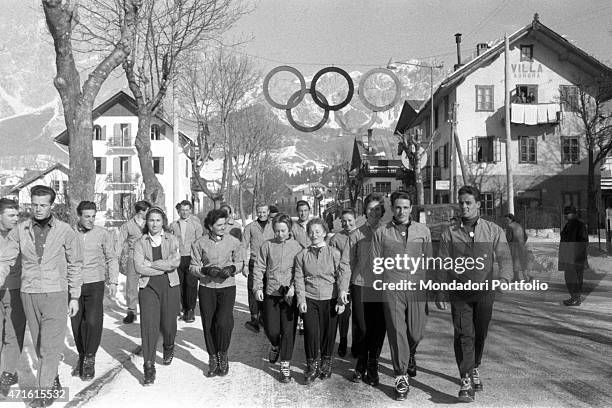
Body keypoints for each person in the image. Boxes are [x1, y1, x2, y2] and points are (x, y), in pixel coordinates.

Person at [0, 186, 82, 408]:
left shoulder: (65, 230)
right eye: (35, 204)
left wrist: (74, 296)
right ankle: (51, 378)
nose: (38, 209)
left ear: (51, 205)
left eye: (43, 204)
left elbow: (75, 264)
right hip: (29, 292)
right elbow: (6, 260)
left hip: (55, 292)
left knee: (50, 345)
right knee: (38, 344)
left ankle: (43, 395)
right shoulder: (20, 230)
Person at [436, 185, 512, 403]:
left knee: (480, 333)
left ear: (478, 204)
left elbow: (505, 256)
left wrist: (505, 278)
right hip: (459, 291)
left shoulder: (493, 230)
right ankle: (466, 379)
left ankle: (474, 365)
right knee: (463, 334)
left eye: (469, 202)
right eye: (461, 202)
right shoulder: (450, 232)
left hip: (485, 292)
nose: (464, 206)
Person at [372, 191, 432, 401]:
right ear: (392, 208)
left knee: (415, 333)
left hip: (416, 287)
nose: (402, 211)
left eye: (406, 207)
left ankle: (409, 354)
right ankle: (401, 377)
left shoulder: (423, 231)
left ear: (411, 208)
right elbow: (376, 263)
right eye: (398, 207)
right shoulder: (382, 232)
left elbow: (429, 261)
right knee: (397, 332)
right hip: (392, 288)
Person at [190, 209, 245, 377]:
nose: (223, 227)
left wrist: (232, 268)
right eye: (219, 225)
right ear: (210, 226)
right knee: (208, 324)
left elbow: (241, 262)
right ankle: (213, 357)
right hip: (207, 288)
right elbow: (193, 267)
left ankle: (223, 353)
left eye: (224, 224)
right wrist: (205, 270)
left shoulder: (234, 242)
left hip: (227, 287)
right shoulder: (199, 243)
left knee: (223, 322)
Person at [294, 218, 349, 383]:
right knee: (311, 332)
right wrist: (301, 299)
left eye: (318, 231)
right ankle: (312, 364)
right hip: (310, 298)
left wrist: (341, 297)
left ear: (324, 233)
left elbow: (342, 275)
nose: (314, 235)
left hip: (330, 298)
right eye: (311, 232)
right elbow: (298, 278)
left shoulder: (334, 253)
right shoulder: (302, 255)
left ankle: (326, 362)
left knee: (328, 333)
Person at [71, 201, 119, 382]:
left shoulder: (102, 234)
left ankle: (90, 357)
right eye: (87, 216)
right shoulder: (69, 233)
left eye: (93, 216)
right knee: (76, 323)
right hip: (74, 284)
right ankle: (82, 355)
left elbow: (112, 258)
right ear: (79, 216)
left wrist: (113, 281)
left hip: (95, 282)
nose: (91, 220)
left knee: (92, 321)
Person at [133, 207, 181, 386]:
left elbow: (174, 263)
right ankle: (149, 365)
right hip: (148, 287)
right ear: (147, 222)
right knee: (149, 326)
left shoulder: (172, 239)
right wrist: (163, 265)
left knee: (168, 324)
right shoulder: (140, 242)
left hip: (169, 286)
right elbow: (139, 267)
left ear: (163, 222)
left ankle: (169, 345)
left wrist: (151, 264)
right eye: (151, 220)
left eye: (158, 220)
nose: (154, 224)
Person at [253, 214, 302, 383]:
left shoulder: (296, 246)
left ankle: (285, 364)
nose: (280, 234)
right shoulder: (267, 245)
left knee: (288, 331)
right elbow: (259, 267)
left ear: (289, 230)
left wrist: (294, 288)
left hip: (289, 294)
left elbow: (300, 270)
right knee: (272, 329)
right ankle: (275, 345)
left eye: (283, 231)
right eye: (277, 231)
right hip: (271, 293)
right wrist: (257, 287)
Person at [349, 193, 386, 385]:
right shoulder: (356, 234)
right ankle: (361, 362)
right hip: (361, 284)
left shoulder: (389, 232)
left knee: (378, 327)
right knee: (362, 327)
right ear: (365, 211)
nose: (374, 211)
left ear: (382, 211)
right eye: (371, 208)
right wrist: (343, 288)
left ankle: (373, 363)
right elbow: (348, 262)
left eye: (378, 208)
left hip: (382, 286)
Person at [0, 198, 26, 397]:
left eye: (17, 214)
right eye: (11, 215)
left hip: (16, 290)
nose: (16, 218)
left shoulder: (23, 235)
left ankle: (7, 373)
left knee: (13, 333)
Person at [327, 208, 357, 358]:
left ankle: (357, 343)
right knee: (343, 313)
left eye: (350, 220)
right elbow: (331, 260)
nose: (347, 223)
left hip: (358, 280)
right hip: (341, 280)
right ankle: (343, 339)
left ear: (355, 220)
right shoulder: (336, 239)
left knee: (359, 314)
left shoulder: (362, 235)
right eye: (344, 221)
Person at [169, 200, 203, 323]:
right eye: (182, 210)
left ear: (190, 210)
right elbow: (169, 241)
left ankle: (191, 310)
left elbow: (200, 242)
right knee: (180, 283)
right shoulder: (173, 224)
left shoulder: (196, 225)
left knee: (191, 284)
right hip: (179, 257)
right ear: (179, 211)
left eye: (187, 210)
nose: (184, 212)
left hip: (191, 256)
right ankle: (183, 307)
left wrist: (199, 258)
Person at [241, 204, 274, 333]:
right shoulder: (250, 227)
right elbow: (243, 246)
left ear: (268, 212)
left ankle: (265, 317)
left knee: (267, 289)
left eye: (264, 212)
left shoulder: (273, 226)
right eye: (259, 212)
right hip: (254, 262)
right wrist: (244, 263)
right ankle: (254, 317)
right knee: (253, 289)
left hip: (270, 263)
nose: (262, 214)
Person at [117, 200, 151, 324]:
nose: (148, 213)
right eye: (146, 211)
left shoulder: (150, 224)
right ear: (140, 211)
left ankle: (148, 309)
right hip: (133, 256)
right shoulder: (127, 225)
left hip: (148, 258)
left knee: (148, 284)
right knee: (131, 284)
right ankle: (131, 311)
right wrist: (116, 256)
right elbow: (120, 242)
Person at [558, 205, 589, 306]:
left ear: (573, 214)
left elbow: (583, 241)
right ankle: (574, 297)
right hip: (568, 257)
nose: (565, 215)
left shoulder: (580, 225)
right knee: (569, 278)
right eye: (565, 213)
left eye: (568, 213)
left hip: (575, 258)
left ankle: (576, 298)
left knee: (575, 278)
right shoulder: (568, 225)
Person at [291, 200, 312, 336]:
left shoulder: (314, 224)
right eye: (300, 210)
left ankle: (308, 317)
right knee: (299, 288)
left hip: (312, 261)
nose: (303, 213)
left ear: (309, 211)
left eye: (305, 210)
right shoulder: (293, 227)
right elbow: (291, 243)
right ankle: (300, 319)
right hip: (298, 261)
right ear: (297, 212)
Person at [504, 213, 528, 282]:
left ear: (511, 219)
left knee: (515, 262)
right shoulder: (520, 225)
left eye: (507, 219)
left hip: (514, 247)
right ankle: (526, 278)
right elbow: (526, 236)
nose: (506, 221)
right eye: (505, 220)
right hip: (522, 246)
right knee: (522, 262)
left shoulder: (509, 226)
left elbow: (508, 238)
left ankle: (516, 278)